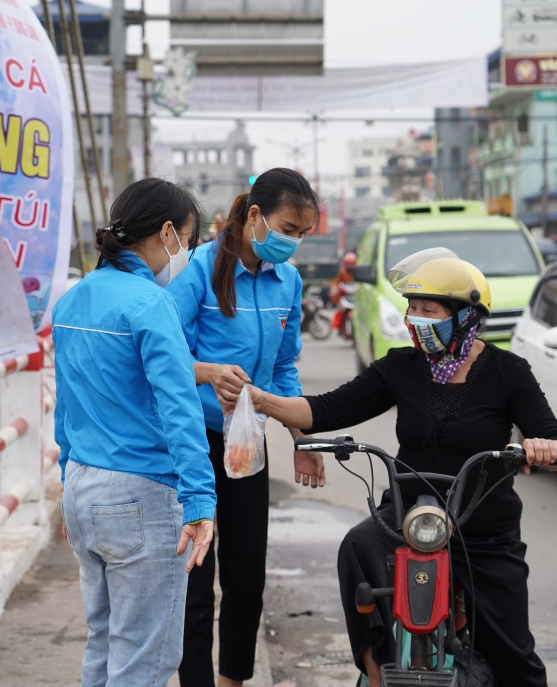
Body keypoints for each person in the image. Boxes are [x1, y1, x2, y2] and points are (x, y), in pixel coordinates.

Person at [247, 249, 557, 687]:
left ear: (464, 317)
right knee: (357, 547)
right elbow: (323, 410)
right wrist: (261, 400)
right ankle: (377, 672)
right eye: (411, 309)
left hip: (484, 528)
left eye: (427, 310)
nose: (414, 319)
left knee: (515, 657)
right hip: (408, 513)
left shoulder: (508, 371)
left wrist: (542, 447)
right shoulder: (399, 366)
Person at [52, 178, 217, 687]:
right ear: (168, 232)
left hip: (83, 486)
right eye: (187, 239)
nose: (186, 252)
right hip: (141, 494)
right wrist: (201, 501)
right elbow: (180, 406)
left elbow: (66, 409)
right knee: (144, 661)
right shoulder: (150, 303)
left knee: (103, 644)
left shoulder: (73, 300)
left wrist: (66, 485)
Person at [166, 167, 327, 687]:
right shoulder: (197, 270)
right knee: (196, 578)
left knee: (247, 576)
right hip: (192, 444)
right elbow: (165, 357)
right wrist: (208, 376)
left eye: (301, 235)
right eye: (287, 228)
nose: (292, 243)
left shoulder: (289, 280)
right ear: (255, 215)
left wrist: (302, 437)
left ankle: (233, 679)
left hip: (246, 447)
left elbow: (283, 367)